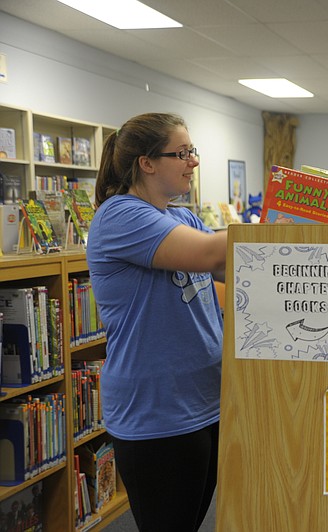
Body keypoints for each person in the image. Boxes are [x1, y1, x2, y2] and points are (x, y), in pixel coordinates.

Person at [87, 113, 228, 532]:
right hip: (157, 410)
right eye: (182, 153)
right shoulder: (119, 216)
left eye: (192, 151)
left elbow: (235, 268)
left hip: (205, 401)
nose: (193, 162)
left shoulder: (182, 217)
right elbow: (209, 255)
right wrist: (281, 231)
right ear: (147, 163)